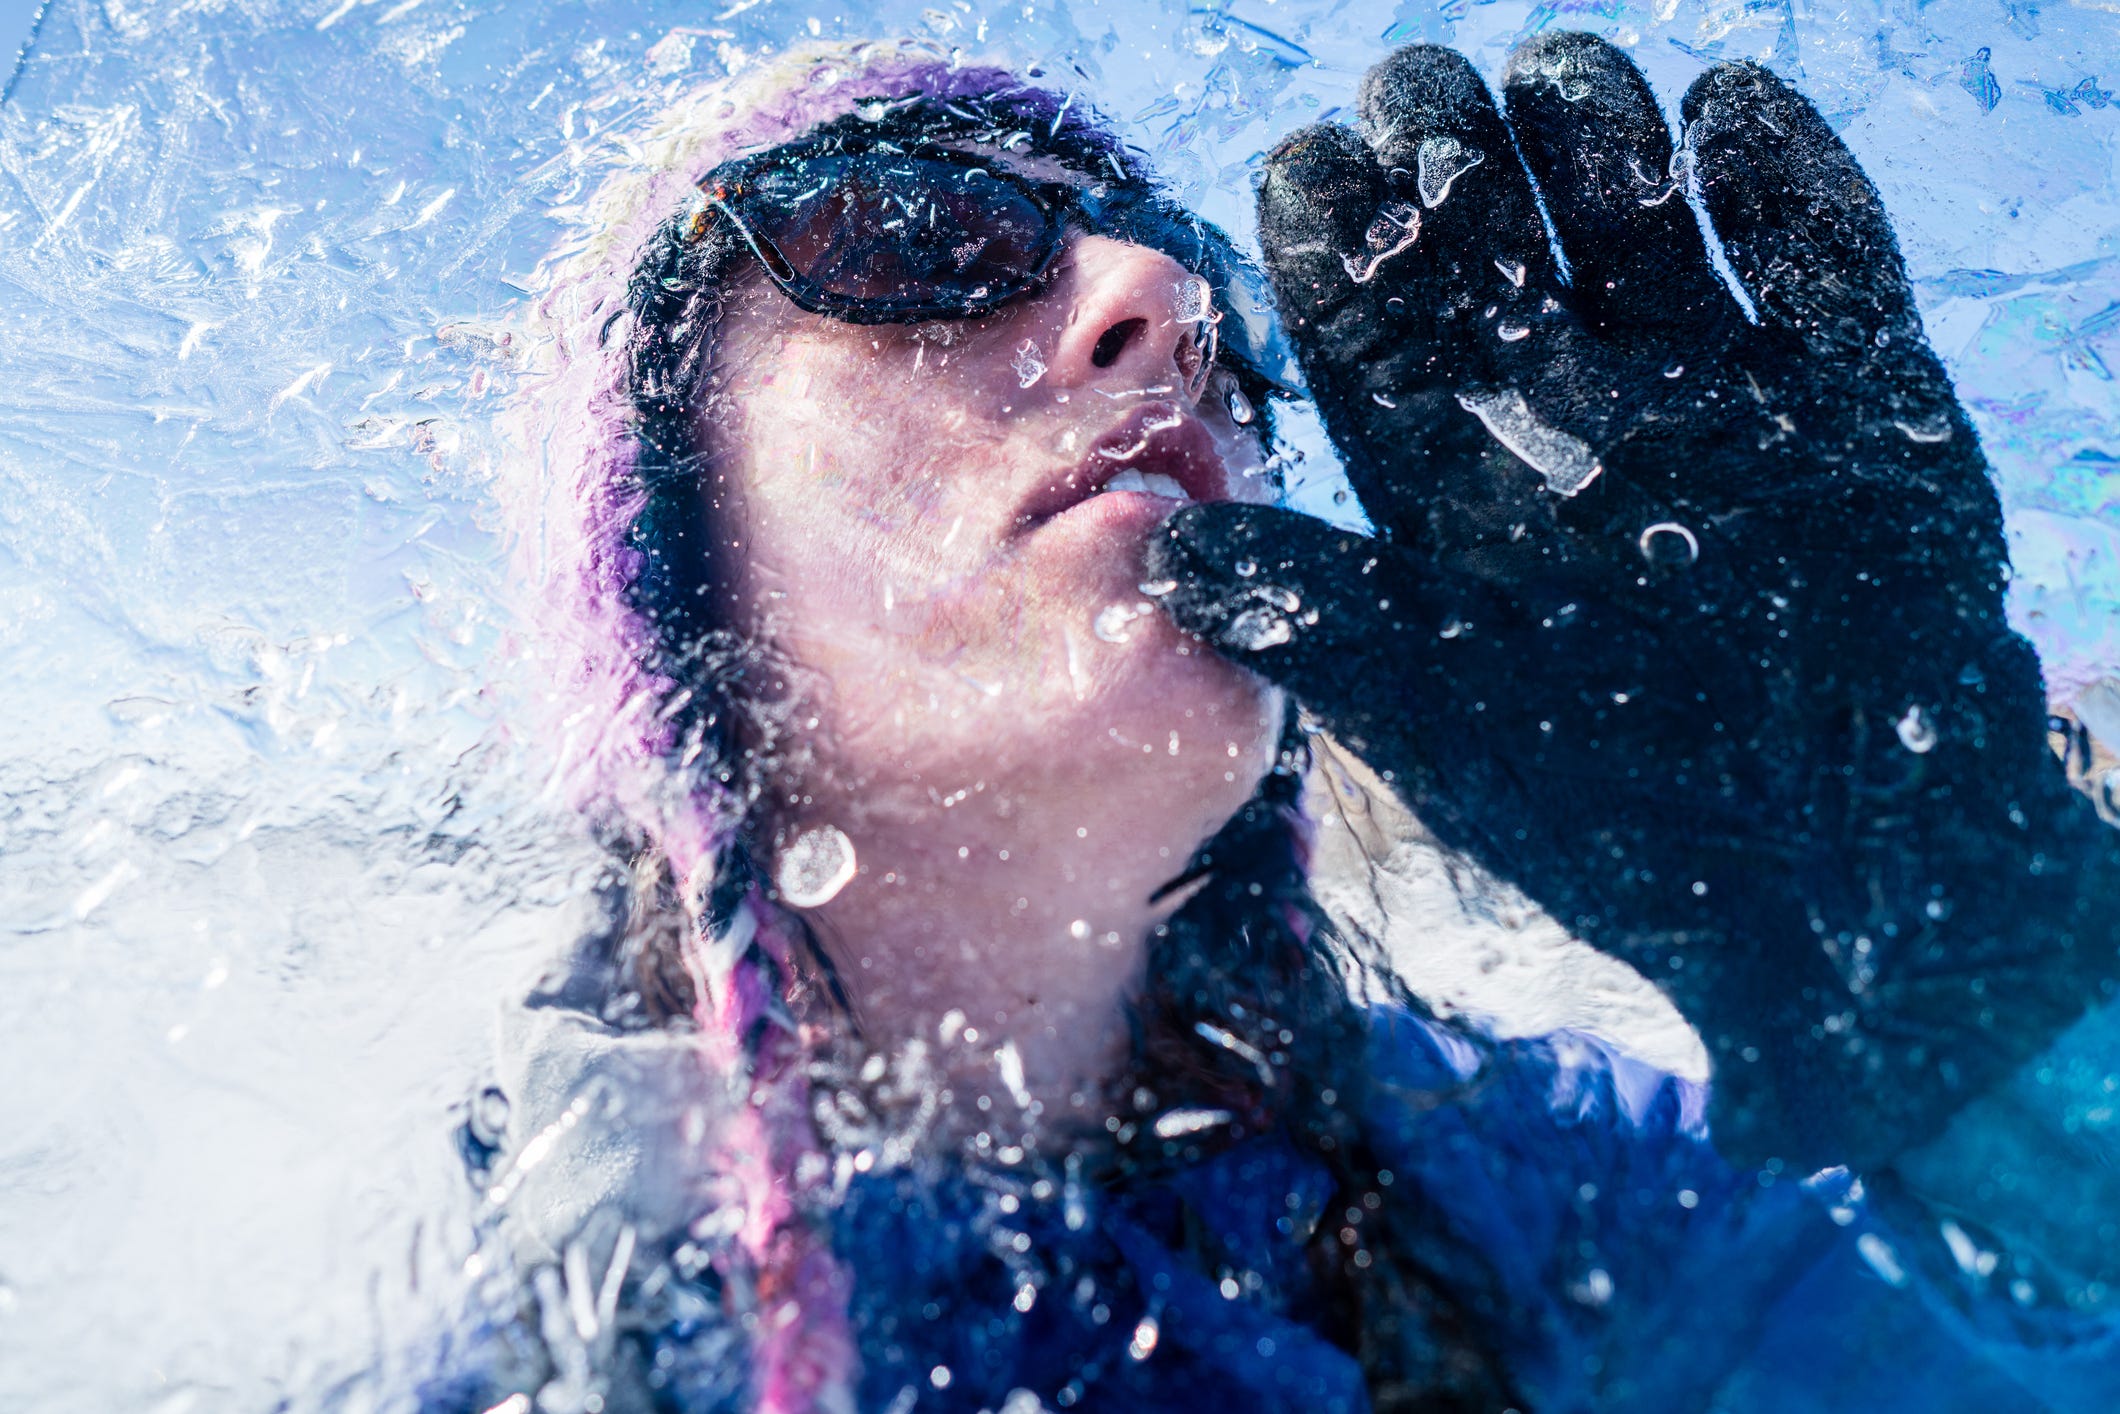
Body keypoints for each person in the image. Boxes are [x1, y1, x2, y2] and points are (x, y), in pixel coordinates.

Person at [433, 32, 2120, 1414]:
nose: (1159, 295)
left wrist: (1978, 980)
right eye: (918, 238)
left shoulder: (1522, 1199)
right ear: (658, 558)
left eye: (1218, 311)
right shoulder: (575, 1344)